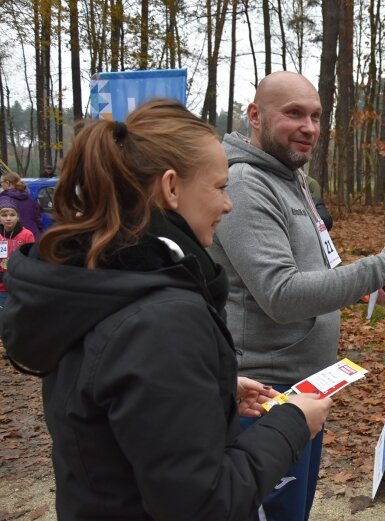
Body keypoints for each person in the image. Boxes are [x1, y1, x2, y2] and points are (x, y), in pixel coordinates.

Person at [0, 99, 333, 520]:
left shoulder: (95, 281)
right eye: (219, 187)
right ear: (172, 187)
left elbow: (114, 399)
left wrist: (210, 389)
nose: (228, 205)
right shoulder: (163, 317)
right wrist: (291, 424)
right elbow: (203, 504)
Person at [208, 71, 385, 521]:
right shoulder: (246, 183)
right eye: (294, 114)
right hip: (261, 395)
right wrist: (384, 266)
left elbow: (312, 266)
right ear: (256, 116)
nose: (310, 128)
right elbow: (280, 294)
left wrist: (363, 283)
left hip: (305, 388)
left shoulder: (290, 176)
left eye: (317, 116)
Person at [0, 196, 35, 309]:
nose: (8, 218)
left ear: (18, 217)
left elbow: (31, 259)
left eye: (12, 215)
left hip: (18, 283)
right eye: (4, 215)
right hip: (1, 286)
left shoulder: (27, 234)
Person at [1, 172, 43, 238]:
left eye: (1, 182)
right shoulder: (30, 197)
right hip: (33, 235)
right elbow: (38, 220)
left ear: (7, 183)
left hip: (13, 238)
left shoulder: (3, 199)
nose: (1, 184)